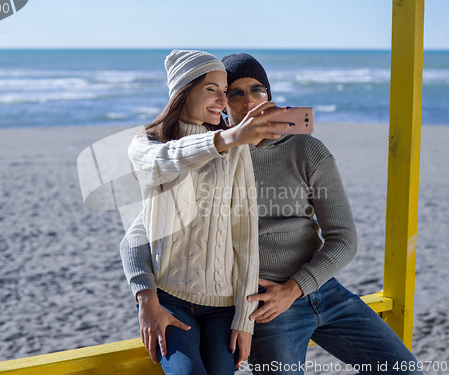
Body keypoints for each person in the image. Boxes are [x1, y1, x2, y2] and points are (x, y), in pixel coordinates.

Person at [120, 52, 423, 375]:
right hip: (264, 305)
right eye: (234, 93)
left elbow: (343, 238)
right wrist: (146, 297)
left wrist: (295, 287)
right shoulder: (214, 156)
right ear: (223, 105)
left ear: (270, 96)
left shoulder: (307, 150)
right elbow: (147, 222)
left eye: (257, 90)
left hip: (323, 289)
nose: (247, 101)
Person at [125, 49, 290, 375]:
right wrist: (146, 300)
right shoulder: (145, 144)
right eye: (212, 89)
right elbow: (169, 159)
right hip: (169, 300)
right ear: (183, 92)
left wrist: (245, 321)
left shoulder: (234, 150)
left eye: (223, 90)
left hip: (223, 308)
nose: (221, 99)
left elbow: (244, 238)